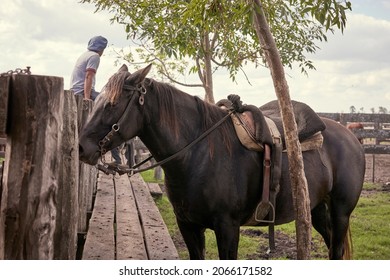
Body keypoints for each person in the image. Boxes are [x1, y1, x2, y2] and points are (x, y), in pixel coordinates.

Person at [70, 35, 108, 100]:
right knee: (108, 101)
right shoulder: (95, 56)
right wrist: (87, 98)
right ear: (102, 49)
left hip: (74, 90)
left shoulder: (85, 54)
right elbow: (88, 76)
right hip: (81, 91)